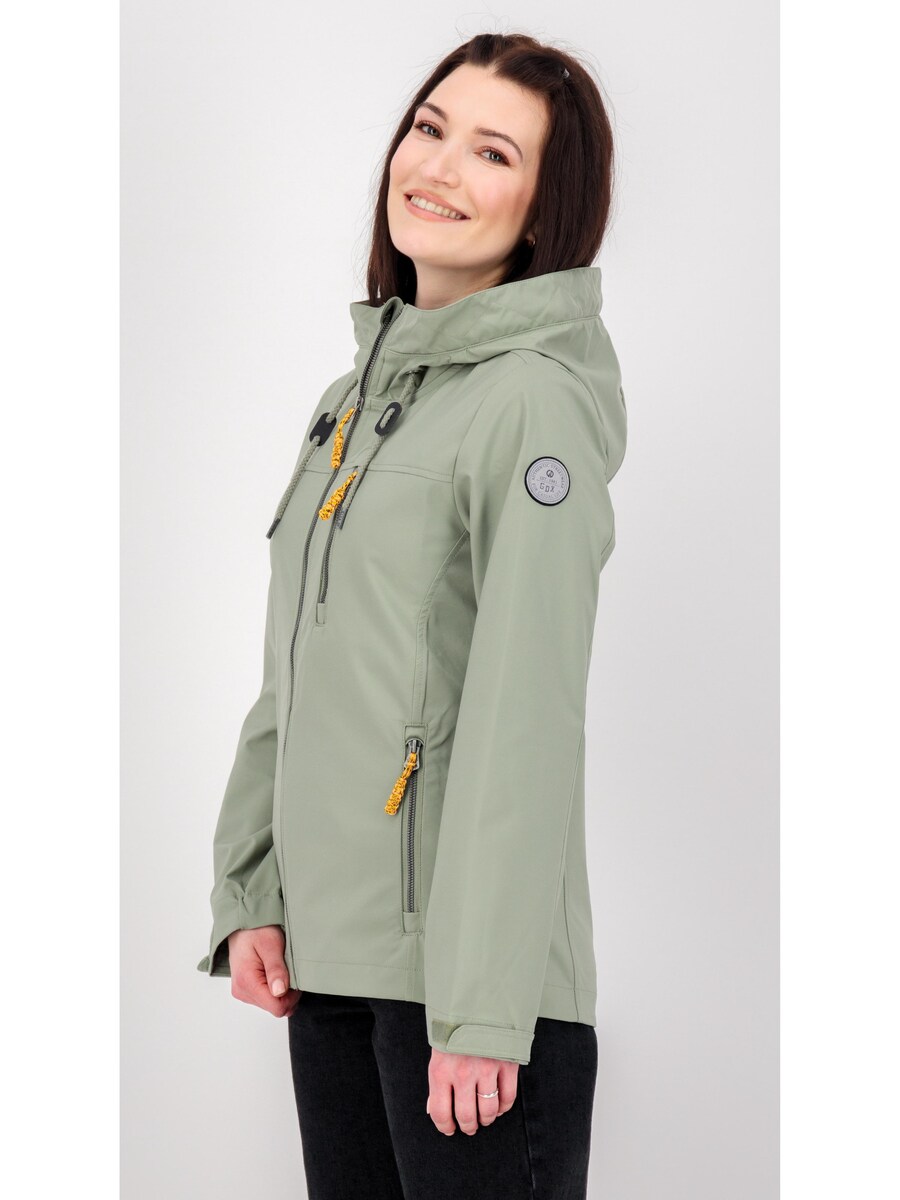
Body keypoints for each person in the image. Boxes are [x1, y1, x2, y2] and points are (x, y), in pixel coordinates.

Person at [196, 31, 627, 1200]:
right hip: (332, 964)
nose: (436, 166)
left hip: (465, 999)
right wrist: (254, 887)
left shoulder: (530, 405)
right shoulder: (354, 403)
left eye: (493, 151)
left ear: (544, 209)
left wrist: (483, 1008)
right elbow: (298, 669)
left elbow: (526, 717)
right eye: (430, 128)